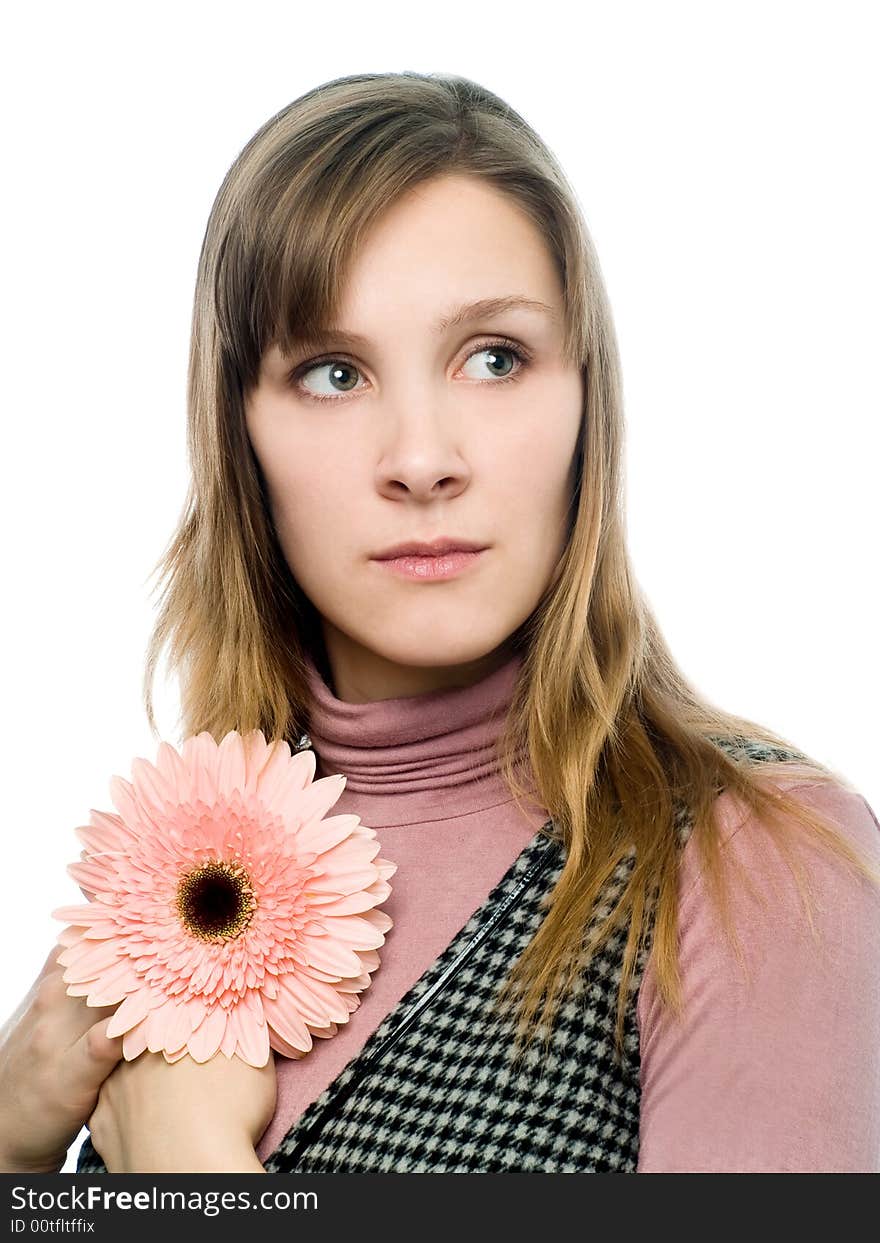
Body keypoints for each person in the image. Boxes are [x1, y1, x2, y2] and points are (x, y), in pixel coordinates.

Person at [2, 70, 878, 1176]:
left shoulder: (762, 863)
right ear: (240, 435)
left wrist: (187, 1170)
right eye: (332, 372)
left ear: (584, 401)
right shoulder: (191, 870)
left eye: (494, 358)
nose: (421, 459)